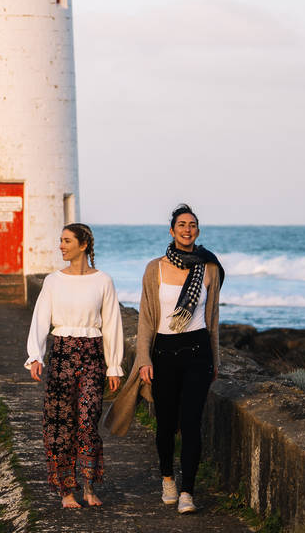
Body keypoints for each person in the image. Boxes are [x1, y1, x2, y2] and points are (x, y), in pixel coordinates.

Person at [104, 203, 224, 515]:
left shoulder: (209, 268)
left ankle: (188, 492)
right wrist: (144, 358)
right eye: (182, 225)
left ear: (198, 231)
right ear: (172, 231)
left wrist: (216, 360)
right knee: (166, 424)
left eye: (193, 225)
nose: (188, 229)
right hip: (164, 354)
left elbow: (213, 318)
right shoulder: (154, 268)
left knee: (191, 423)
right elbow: (145, 319)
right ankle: (168, 479)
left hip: (198, 351)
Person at [24, 223, 124, 508]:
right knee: (59, 425)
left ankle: (90, 487)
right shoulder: (53, 281)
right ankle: (66, 491)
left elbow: (113, 324)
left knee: (88, 422)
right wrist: (35, 355)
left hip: (92, 356)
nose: (61, 246)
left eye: (67, 241)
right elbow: (40, 318)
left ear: (83, 245)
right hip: (62, 355)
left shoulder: (103, 281)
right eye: (60, 240)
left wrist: (114, 365)